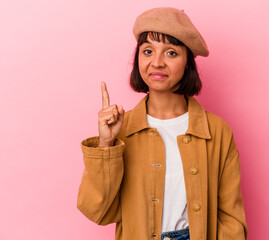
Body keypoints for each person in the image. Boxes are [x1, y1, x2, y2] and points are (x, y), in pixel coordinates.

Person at [77, 7, 248, 240]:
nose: (156, 63)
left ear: (188, 62)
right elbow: (98, 211)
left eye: (171, 53)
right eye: (148, 51)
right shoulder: (121, 131)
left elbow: (232, 219)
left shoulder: (216, 132)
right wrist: (107, 146)